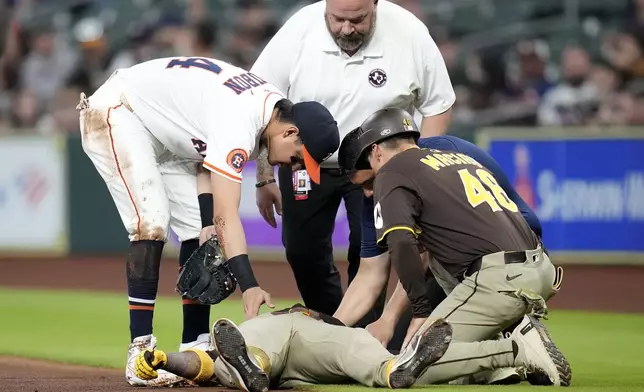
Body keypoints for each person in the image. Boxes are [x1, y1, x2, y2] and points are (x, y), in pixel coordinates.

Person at [77, 56, 340, 386]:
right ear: (290, 131)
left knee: (196, 230)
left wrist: (207, 222)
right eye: (299, 157)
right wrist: (249, 286)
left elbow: (204, 163)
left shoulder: (265, 108)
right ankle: (140, 351)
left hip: (164, 130)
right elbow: (226, 215)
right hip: (119, 111)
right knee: (151, 221)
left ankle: (195, 345)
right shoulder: (241, 120)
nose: (295, 166)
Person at [250, 0, 456, 325]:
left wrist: (419, 173)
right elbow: (260, 103)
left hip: (377, 167)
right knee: (302, 252)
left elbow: (438, 105)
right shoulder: (299, 30)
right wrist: (264, 177)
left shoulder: (410, 34)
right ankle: (335, 328)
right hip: (305, 162)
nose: (347, 28)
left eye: (358, 20)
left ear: (375, 5)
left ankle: (366, 334)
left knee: (370, 252)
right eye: (337, 19)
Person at [340, 107, 571, 386]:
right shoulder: (452, 156)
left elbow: (403, 245)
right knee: (437, 259)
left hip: (498, 276)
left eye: (366, 181)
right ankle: (497, 358)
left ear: (376, 151)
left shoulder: (391, 171)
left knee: (415, 367)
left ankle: (517, 349)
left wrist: (421, 310)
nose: (367, 192)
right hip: (540, 267)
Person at [132, 304, 453, 391]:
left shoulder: (252, 329)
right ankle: (388, 369)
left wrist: (164, 361)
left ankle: (397, 369)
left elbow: (205, 362)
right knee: (354, 347)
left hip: (303, 329)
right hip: (295, 334)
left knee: (356, 340)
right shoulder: (248, 331)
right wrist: (166, 361)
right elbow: (201, 361)